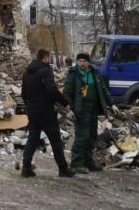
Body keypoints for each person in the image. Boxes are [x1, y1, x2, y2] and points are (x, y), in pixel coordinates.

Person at [21, 49, 75, 178]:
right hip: (45, 111)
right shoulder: (46, 71)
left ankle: (26, 167)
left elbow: (23, 94)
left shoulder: (27, 73)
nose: (50, 60)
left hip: (32, 111)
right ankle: (63, 169)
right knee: (55, 140)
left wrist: (30, 106)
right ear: (45, 57)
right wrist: (65, 103)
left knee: (33, 139)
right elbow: (52, 90)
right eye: (49, 57)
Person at [63, 52, 115, 173]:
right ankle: (76, 163)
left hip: (93, 109)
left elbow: (103, 89)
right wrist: (69, 108)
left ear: (88, 62)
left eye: (84, 61)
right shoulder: (73, 74)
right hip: (80, 110)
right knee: (82, 136)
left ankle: (88, 161)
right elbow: (67, 93)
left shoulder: (94, 73)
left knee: (92, 136)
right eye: (79, 61)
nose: (81, 63)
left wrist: (111, 103)